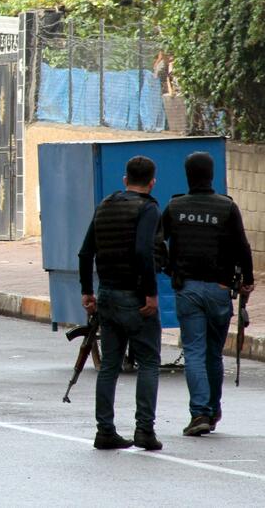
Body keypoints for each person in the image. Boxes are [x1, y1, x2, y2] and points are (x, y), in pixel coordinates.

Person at [161, 152, 255, 436]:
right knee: (214, 354)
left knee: (194, 352)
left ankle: (200, 412)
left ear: (188, 175)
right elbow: (243, 247)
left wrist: (169, 269)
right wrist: (247, 281)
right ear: (211, 175)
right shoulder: (226, 207)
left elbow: (155, 242)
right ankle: (212, 410)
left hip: (187, 288)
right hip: (220, 289)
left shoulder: (175, 207)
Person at [79, 155, 164, 451]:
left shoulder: (105, 205)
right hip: (134, 298)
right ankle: (144, 430)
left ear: (125, 180)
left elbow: (85, 252)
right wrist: (151, 294)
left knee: (110, 366)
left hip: (107, 296)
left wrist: (87, 292)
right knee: (150, 362)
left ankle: (105, 431)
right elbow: (143, 252)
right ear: (152, 182)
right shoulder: (149, 208)